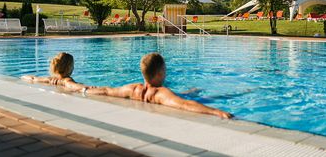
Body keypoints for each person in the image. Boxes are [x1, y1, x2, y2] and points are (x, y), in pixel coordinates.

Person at [84, 53, 233, 119]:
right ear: (160, 73)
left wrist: (86, 90)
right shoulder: (160, 93)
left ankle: (193, 91)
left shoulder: (133, 89)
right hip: (171, 98)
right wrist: (216, 112)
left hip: (151, 94)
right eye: (165, 70)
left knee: (190, 92)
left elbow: (107, 90)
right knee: (201, 97)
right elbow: (184, 105)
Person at [21, 52, 86, 92]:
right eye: (73, 65)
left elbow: (31, 78)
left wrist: (23, 76)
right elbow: (82, 88)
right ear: (69, 67)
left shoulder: (50, 79)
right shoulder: (66, 81)